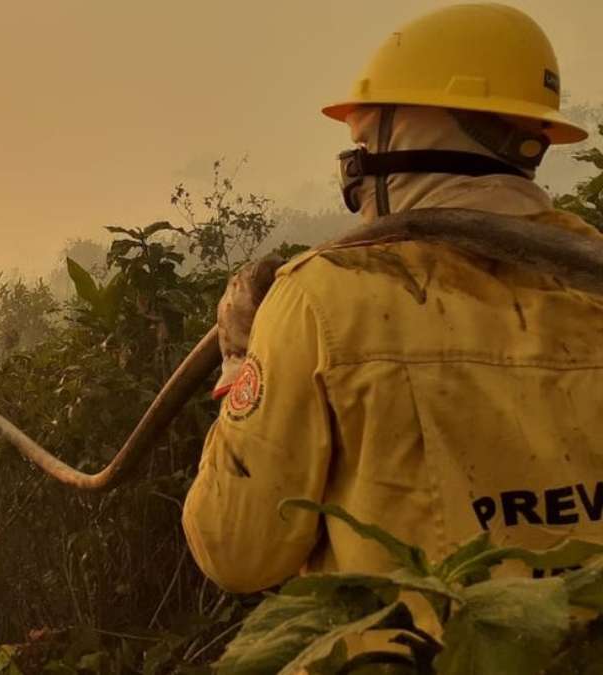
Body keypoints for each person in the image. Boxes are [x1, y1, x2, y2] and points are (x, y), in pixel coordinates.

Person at [182, 1, 603, 610]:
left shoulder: (322, 297)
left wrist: (243, 356)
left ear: (396, 135)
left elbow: (236, 551)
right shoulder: (591, 273)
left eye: (359, 141)